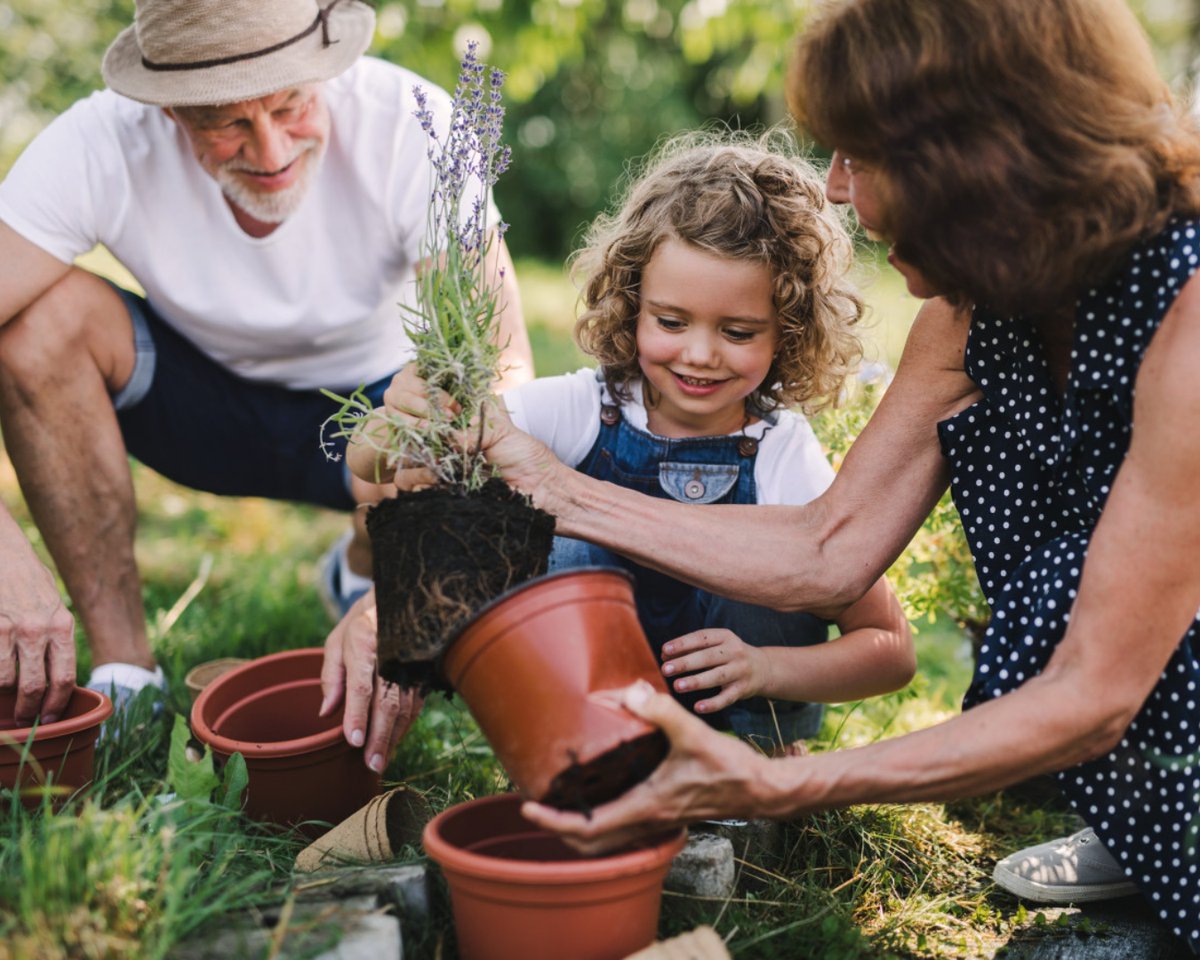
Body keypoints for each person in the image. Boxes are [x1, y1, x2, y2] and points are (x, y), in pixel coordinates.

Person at [361, 0, 1200, 945]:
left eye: (861, 156)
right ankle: (1141, 824)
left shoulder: (1188, 322)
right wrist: (389, 598)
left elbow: (1091, 695)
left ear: (976, 158)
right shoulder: (974, 316)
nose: (837, 190)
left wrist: (776, 781)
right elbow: (831, 546)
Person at [0, 0, 533, 727]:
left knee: (451, 407)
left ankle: (364, 563)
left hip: (372, 424)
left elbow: (502, 376)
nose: (274, 151)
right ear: (168, 110)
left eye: (291, 106)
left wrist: (398, 601)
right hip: (198, 408)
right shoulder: (100, 140)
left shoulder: (410, 121)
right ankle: (126, 675)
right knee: (35, 324)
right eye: (227, 124)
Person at [346, 132, 915, 756]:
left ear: (789, 330)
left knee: (776, 566)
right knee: (556, 545)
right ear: (632, 305)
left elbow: (889, 650)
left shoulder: (781, 450)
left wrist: (767, 668)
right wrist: (398, 417)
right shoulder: (583, 409)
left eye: (738, 330)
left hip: (735, 725)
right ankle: (577, 749)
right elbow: (376, 461)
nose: (699, 354)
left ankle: (764, 756)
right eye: (671, 322)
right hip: (593, 720)